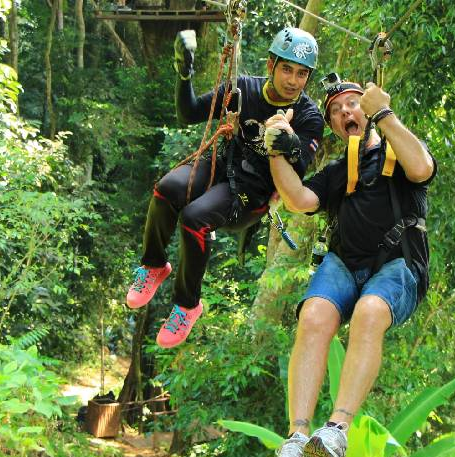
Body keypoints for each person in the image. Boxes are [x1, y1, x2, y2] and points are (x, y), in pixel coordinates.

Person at [264, 75, 436, 457]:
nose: (345, 112)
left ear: (368, 110)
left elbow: (422, 167)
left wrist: (386, 113)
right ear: (335, 126)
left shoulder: (397, 147)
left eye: (353, 104)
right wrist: (274, 151)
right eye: (337, 111)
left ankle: (337, 429)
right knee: (313, 317)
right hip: (345, 264)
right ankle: (297, 438)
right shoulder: (340, 170)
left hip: (399, 265)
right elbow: (299, 200)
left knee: (371, 311)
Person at [125, 27, 325, 349]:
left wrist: (288, 143)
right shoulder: (243, 89)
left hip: (252, 193)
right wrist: (184, 73)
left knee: (194, 217)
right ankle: (154, 264)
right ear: (270, 64)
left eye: (302, 73)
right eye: (286, 68)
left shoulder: (308, 116)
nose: (292, 80)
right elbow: (188, 113)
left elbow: (298, 170)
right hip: (222, 164)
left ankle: (188, 305)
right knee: (167, 189)